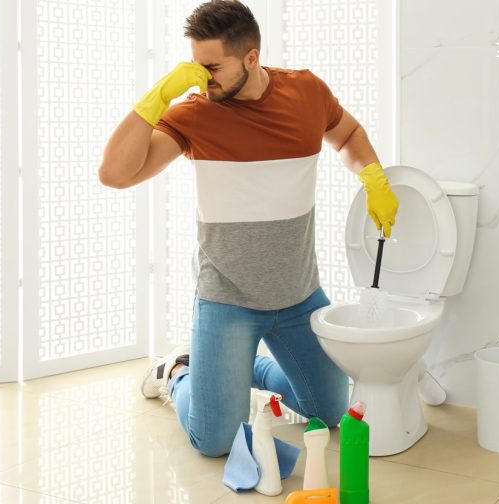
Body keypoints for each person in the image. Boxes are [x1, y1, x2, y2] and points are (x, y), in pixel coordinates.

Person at [98, 0, 398, 457]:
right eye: (194, 66)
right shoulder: (195, 113)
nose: (201, 78)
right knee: (215, 441)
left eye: (212, 67)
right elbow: (116, 174)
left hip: (299, 294)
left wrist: (373, 176)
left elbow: (349, 135)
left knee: (331, 411)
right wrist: (160, 93)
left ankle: (246, 370)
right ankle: (179, 372)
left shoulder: (307, 93)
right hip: (227, 299)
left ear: (251, 57)